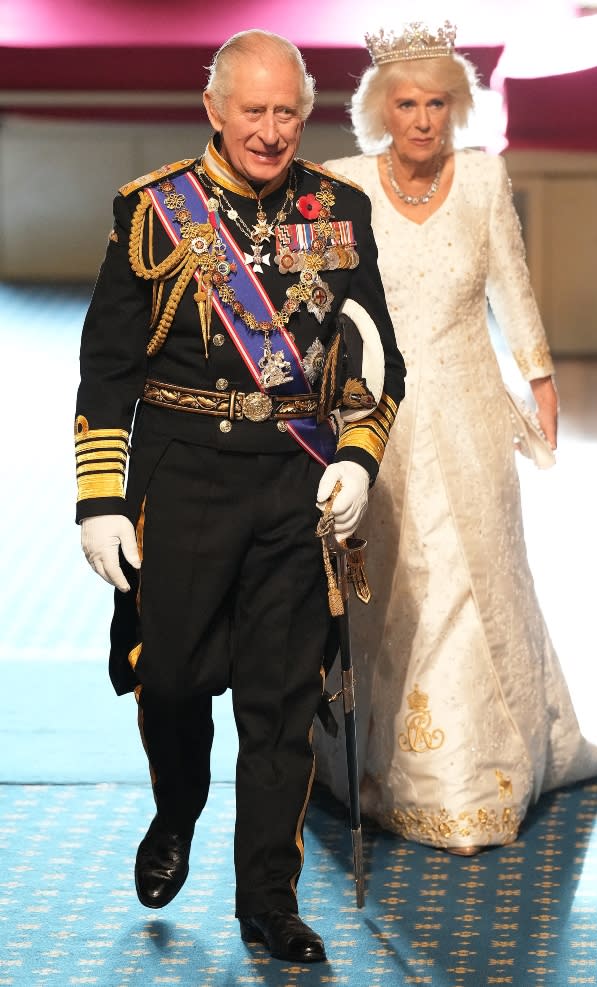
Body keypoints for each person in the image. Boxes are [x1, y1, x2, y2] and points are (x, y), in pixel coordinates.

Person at [74, 29, 405, 963]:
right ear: (213, 108)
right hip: (184, 478)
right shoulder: (154, 212)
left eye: (287, 112)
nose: (270, 131)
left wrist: (356, 457)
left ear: (306, 113)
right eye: (252, 111)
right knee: (170, 677)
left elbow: (381, 361)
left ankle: (268, 895)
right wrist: (101, 498)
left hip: (295, 484)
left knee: (281, 703)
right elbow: (107, 371)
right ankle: (176, 805)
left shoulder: (340, 209)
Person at [313, 21, 597, 854]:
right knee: (396, 574)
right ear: (381, 109)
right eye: (407, 104)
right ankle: (380, 765)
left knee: (475, 567)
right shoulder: (343, 183)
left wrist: (542, 378)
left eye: (437, 103)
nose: (422, 119)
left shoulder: (484, 178)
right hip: (380, 413)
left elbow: (511, 286)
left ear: (458, 106)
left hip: (471, 406)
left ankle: (478, 774)